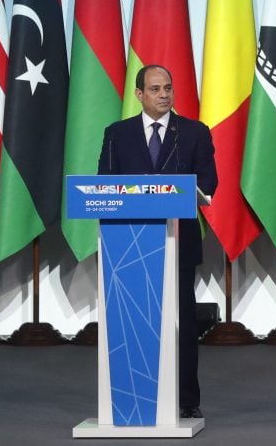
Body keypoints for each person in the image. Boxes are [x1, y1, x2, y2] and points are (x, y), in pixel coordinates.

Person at [98, 64, 217, 420]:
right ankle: (135, 389)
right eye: (155, 89)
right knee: (134, 318)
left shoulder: (194, 133)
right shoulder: (117, 134)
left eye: (168, 88)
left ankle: (186, 398)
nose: (164, 94)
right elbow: (105, 184)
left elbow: (209, 183)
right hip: (130, 245)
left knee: (181, 320)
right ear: (139, 94)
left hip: (178, 243)